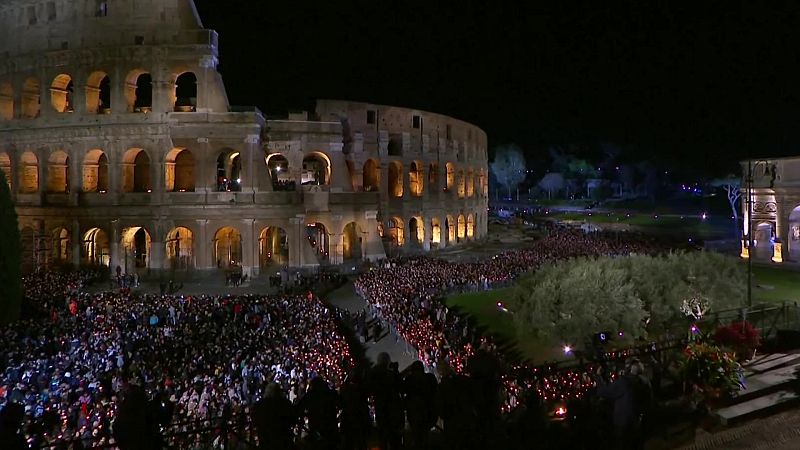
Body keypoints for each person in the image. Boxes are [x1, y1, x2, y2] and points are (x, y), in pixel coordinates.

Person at [596, 359, 653, 450]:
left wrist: (599, 376)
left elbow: (603, 392)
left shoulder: (624, 383)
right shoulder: (645, 381)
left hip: (624, 423)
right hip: (638, 421)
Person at [253, 383, 296, 450]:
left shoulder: (259, 405)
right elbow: (293, 420)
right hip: (283, 439)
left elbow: (255, 420)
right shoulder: (285, 403)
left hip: (265, 438)